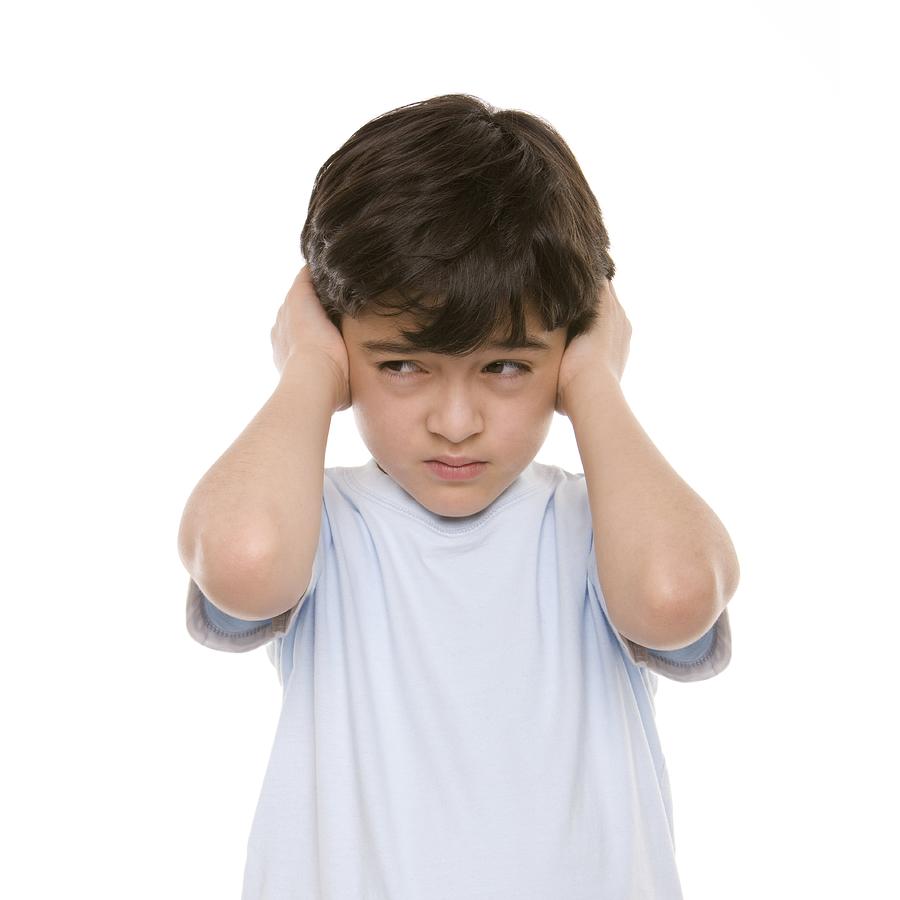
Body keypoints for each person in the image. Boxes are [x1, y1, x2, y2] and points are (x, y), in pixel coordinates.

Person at [178, 93, 739, 899]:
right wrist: (305, 365)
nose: (454, 421)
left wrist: (594, 381)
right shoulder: (319, 523)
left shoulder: (600, 525)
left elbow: (674, 597)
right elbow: (241, 562)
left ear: (570, 347)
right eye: (402, 365)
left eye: (507, 367)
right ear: (342, 347)